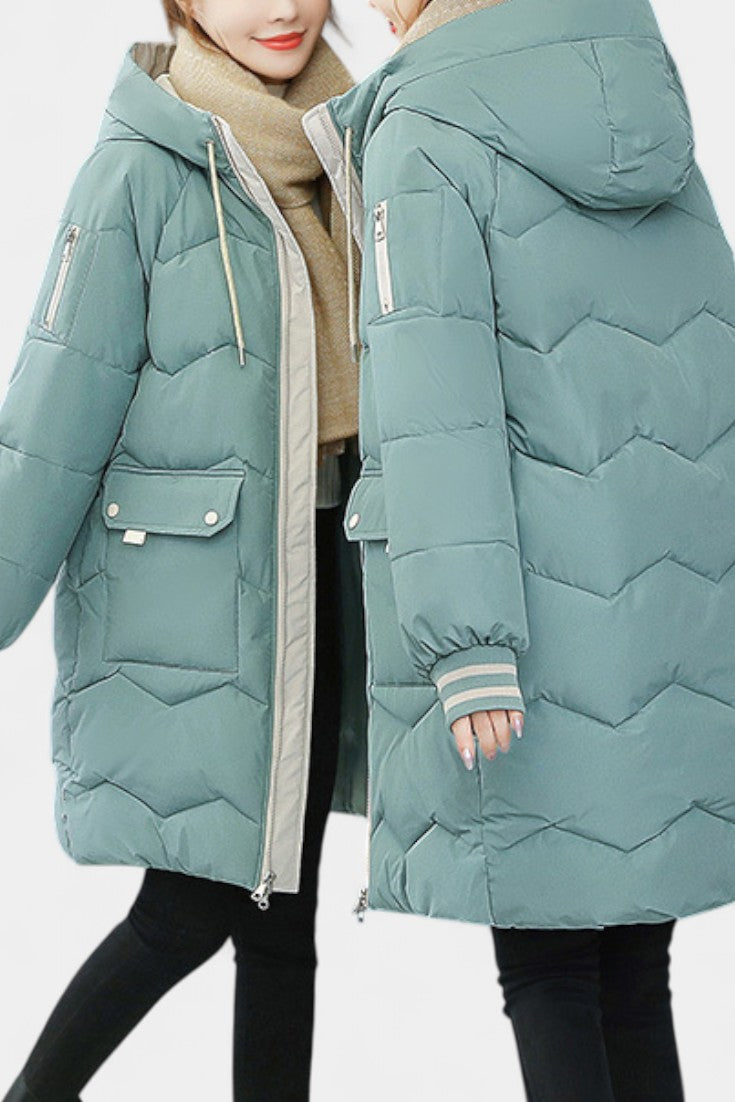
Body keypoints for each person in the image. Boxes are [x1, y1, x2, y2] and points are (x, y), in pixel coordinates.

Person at [302, 0, 735, 1097]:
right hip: (668, 613)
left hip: (531, 624)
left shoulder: (425, 126)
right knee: (632, 968)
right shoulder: (637, 88)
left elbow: (432, 408)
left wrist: (466, 644)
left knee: (550, 969)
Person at [0, 1, 368, 1099]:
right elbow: (58, 402)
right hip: (194, 605)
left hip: (323, 572)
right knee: (188, 907)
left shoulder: (358, 147)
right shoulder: (141, 167)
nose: (283, 8)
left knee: (281, 915)